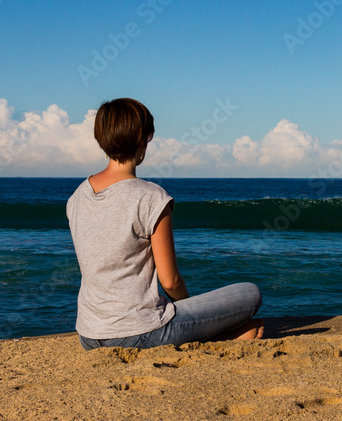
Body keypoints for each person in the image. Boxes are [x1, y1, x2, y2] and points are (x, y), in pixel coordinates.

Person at [66, 97, 263, 350]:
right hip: (140, 332)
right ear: (141, 140)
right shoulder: (150, 196)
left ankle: (216, 336)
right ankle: (218, 337)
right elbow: (170, 281)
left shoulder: (77, 197)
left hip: (89, 335)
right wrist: (189, 311)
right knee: (250, 293)